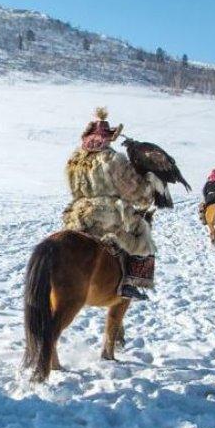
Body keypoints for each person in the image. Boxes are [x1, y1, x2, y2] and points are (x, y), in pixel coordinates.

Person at [62, 107, 157, 301]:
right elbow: (136, 192)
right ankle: (130, 282)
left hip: (76, 214)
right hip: (108, 215)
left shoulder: (73, 159)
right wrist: (147, 191)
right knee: (143, 234)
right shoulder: (113, 159)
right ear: (109, 138)